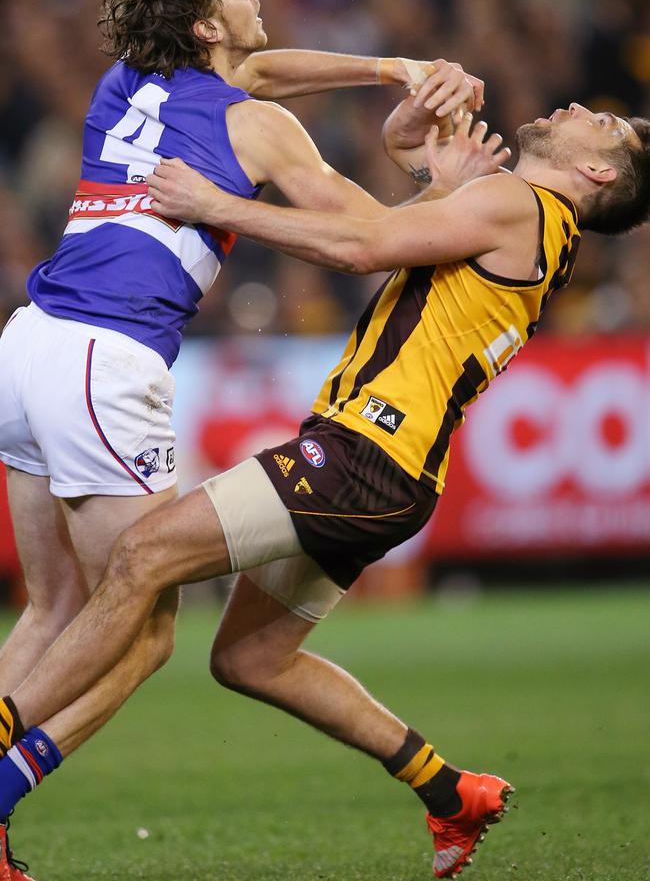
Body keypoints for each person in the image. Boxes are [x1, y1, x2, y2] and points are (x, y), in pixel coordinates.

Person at [6, 97, 648, 878]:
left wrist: (218, 204)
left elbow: (360, 246)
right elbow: (398, 237)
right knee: (250, 659)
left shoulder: (522, 203)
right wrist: (421, 169)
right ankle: (450, 791)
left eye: (604, 123)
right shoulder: (534, 221)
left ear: (598, 170)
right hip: (392, 475)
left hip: (363, 454)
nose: (581, 107)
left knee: (141, 557)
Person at [0, 0, 483, 878]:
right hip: (106, 356)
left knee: (52, 609)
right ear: (207, 22)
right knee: (141, 628)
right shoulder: (256, 131)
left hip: (28, 343)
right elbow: (367, 239)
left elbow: (261, 67)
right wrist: (444, 180)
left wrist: (394, 66)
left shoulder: (128, 81)